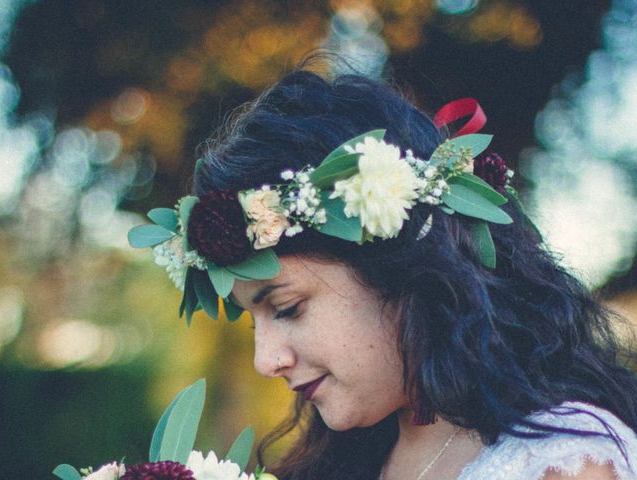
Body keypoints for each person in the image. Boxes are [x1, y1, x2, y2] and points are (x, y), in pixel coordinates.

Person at [134, 68, 637, 479]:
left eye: (287, 308)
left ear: (400, 268)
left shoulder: (562, 462)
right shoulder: (345, 459)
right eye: (253, 321)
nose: (267, 360)